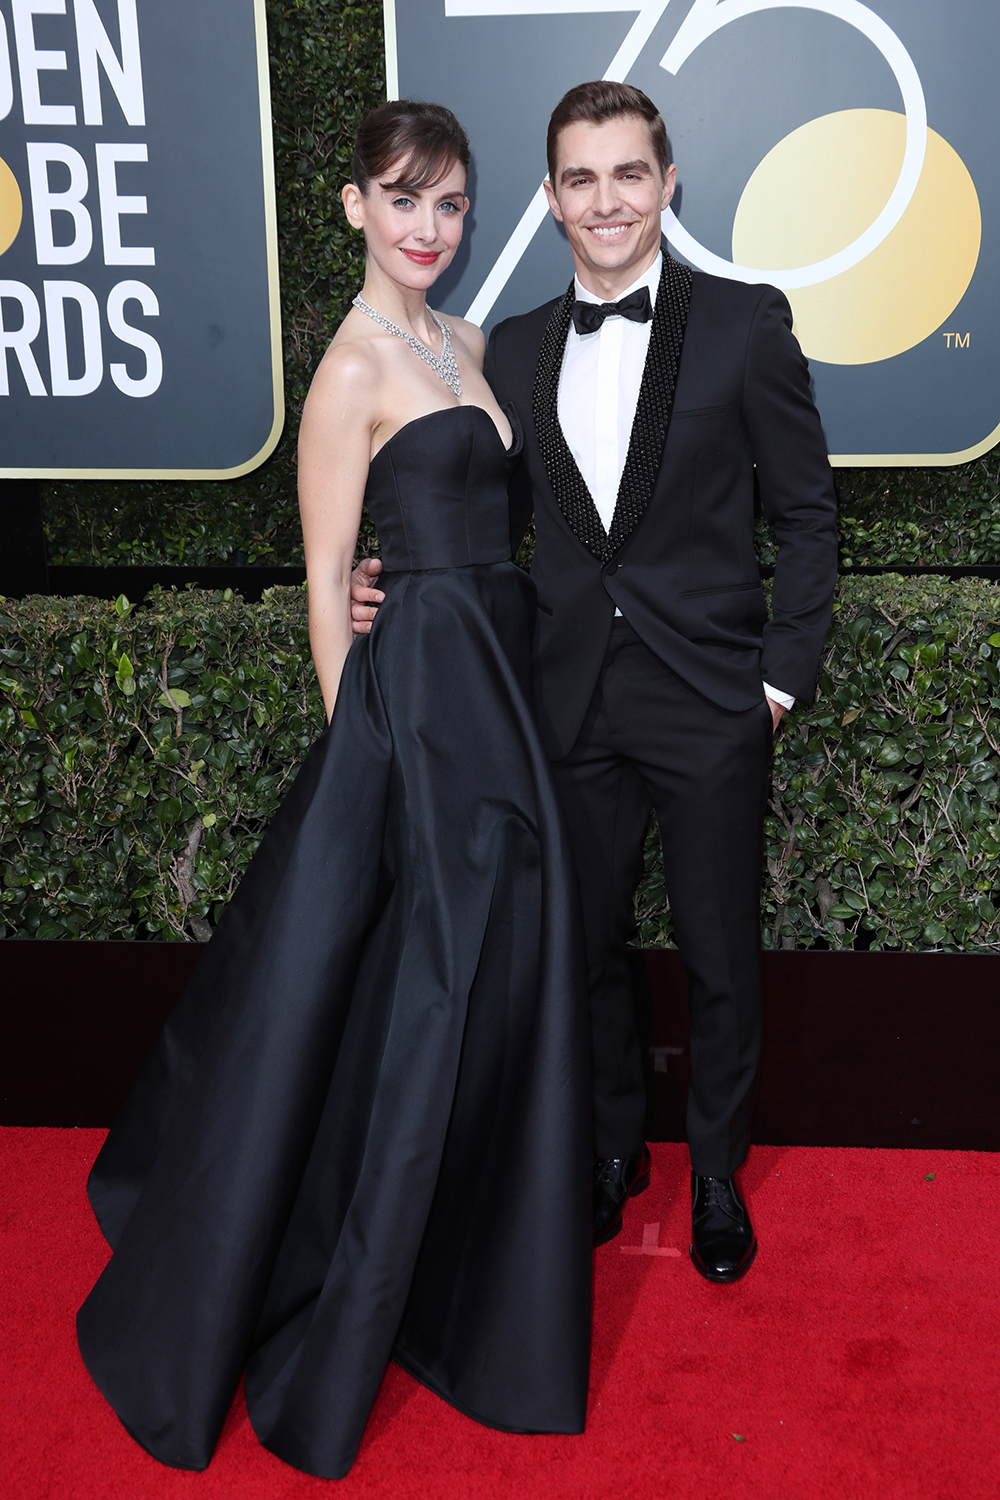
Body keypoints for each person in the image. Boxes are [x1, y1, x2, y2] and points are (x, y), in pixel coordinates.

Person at [76, 100, 591, 1481]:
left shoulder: (466, 345)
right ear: (352, 206)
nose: (429, 228)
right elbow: (325, 577)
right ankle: (344, 1291)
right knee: (417, 994)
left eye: (452, 205)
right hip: (419, 717)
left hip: (499, 699)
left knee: (488, 986)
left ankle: (458, 1263)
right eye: (404, 200)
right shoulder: (352, 369)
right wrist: (366, 752)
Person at [353, 81, 839, 1284]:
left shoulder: (743, 325)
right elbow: (485, 513)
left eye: (629, 173)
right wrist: (387, 577)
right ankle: (608, 1153)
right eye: (581, 178)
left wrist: (777, 682)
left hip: (711, 696)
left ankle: (718, 1172)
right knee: (581, 949)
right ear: (551, 197)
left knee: (722, 951)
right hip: (564, 701)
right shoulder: (511, 347)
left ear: (668, 184)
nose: (606, 199)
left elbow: (810, 517)